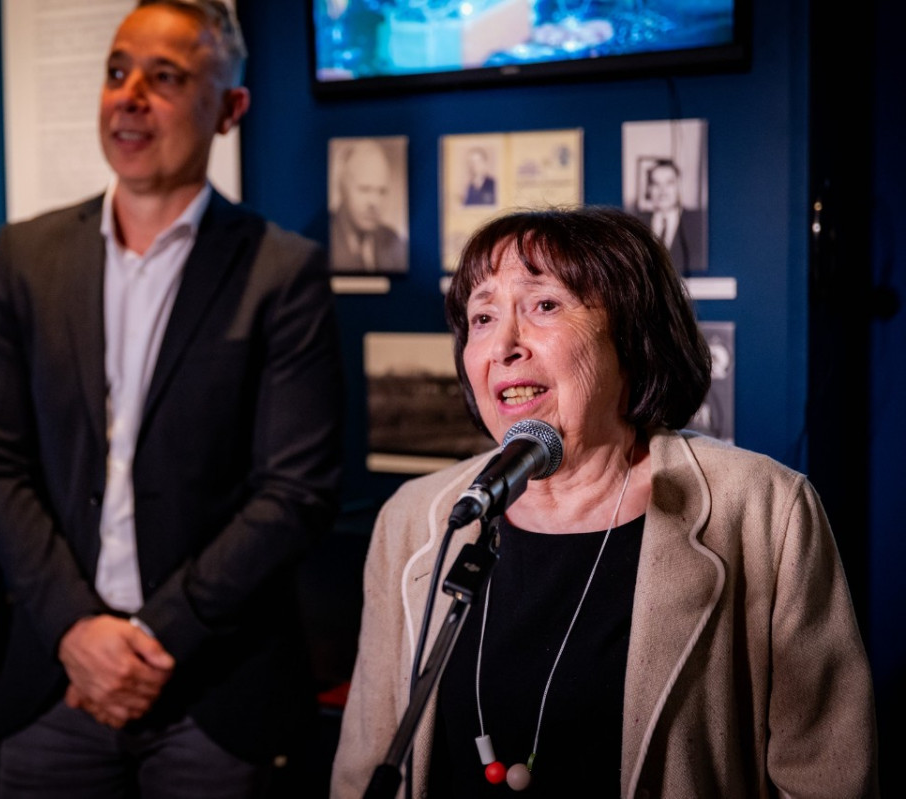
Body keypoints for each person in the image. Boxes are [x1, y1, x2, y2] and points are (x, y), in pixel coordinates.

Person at [330, 206, 878, 797]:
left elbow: (825, 776)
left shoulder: (764, 511)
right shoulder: (414, 518)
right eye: (482, 317)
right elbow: (365, 766)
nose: (503, 346)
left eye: (544, 305)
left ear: (632, 336)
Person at [0, 1, 344, 797]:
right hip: (53, 675)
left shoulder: (282, 272)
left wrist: (149, 639)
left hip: (216, 685)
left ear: (230, 108)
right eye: (117, 71)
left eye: (164, 77)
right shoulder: (25, 257)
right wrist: (77, 629)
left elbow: (296, 491)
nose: (129, 96)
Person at [329, 138, 408, 273]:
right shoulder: (324, 237)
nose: (374, 202)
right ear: (343, 189)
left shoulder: (393, 242)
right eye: (364, 189)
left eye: (382, 191)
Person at [639, 157, 706, 273]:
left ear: (679, 186)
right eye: (656, 184)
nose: (662, 190)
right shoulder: (638, 223)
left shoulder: (698, 224)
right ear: (649, 188)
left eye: (669, 183)